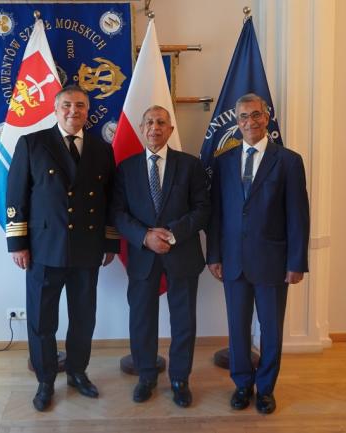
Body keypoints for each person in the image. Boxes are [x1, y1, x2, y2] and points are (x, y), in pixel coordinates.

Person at [6, 85, 120, 412]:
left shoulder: (102, 149)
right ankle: (45, 380)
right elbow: (15, 196)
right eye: (67, 105)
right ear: (56, 110)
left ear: (88, 110)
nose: (74, 111)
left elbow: (111, 200)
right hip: (43, 249)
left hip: (87, 248)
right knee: (42, 320)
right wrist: (18, 243)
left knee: (83, 318)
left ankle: (77, 373)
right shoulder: (32, 143)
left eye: (80, 105)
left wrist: (110, 240)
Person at [207, 93, 310, 414]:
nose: (249, 122)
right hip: (233, 261)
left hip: (273, 262)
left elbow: (298, 216)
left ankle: (265, 389)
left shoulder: (288, 161)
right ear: (237, 122)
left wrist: (296, 262)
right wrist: (214, 255)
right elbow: (216, 214)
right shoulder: (223, 161)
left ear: (266, 118)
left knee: (270, 329)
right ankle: (242, 384)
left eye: (255, 115)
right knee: (237, 328)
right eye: (243, 116)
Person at [112, 105, 210, 408]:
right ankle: (146, 376)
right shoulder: (126, 168)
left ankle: (180, 379)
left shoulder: (190, 165)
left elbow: (203, 209)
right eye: (150, 122)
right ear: (142, 129)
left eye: (161, 123)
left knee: (183, 321)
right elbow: (117, 213)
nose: (155, 127)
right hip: (143, 256)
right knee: (141, 319)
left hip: (182, 253)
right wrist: (145, 236)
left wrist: (171, 234)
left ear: (170, 129)